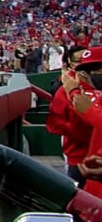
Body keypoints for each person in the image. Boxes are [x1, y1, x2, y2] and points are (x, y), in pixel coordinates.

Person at [46, 45, 89, 188]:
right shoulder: (65, 90)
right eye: (79, 61)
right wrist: (80, 130)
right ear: (70, 63)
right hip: (79, 157)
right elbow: (53, 124)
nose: (84, 65)